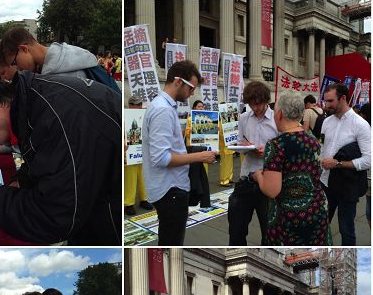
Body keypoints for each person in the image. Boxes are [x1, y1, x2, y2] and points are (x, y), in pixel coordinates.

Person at [0, 75, 121, 245]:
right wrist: (22, 180)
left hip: (108, 220)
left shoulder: (56, 116)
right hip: (96, 206)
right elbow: (46, 158)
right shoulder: (34, 101)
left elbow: (55, 218)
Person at [142, 60, 217, 245]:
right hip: (170, 190)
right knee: (172, 243)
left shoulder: (162, 106)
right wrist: (199, 157)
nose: (192, 93)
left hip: (170, 188)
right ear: (178, 82)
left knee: (170, 240)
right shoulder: (163, 110)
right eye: (191, 88)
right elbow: (161, 157)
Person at [252, 91, 331, 246]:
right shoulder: (313, 140)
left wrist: (258, 176)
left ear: (280, 114)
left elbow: (271, 190)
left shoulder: (276, 145)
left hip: (289, 217)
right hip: (317, 209)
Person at [228, 80, 278, 246]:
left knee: (269, 231)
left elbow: (283, 148)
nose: (255, 108)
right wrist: (243, 146)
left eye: (258, 104)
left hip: (268, 180)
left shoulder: (277, 119)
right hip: (246, 178)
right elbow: (240, 140)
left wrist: (269, 151)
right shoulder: (244, 117)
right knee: (236, 229)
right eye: (251, 104)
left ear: (266, 100)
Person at [320, 83, 371, 245]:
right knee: (320, 226)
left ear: (343, 98)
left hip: (347, 186)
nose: (326, 105)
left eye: (330, 101)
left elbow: (368, 160)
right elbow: (322, 148)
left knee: (346, 229)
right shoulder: (326, 122)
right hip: (325, 183)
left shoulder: (361, 125)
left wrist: (338, 164)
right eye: (325, 101)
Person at [0, 27, 98, 80]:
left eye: (14, 62)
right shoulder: (70, 54)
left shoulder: (61, 76)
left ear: (24, 49)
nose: (18, 68)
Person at [124, 94, 153, 216]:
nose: (137, 106)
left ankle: (144, 199)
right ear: (130, 105)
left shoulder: (145, 116)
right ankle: (128, 203)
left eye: (139, 104)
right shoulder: (124, 115)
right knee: (130, 178)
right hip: (130, 151)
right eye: (134, 104)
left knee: (144, 176)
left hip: (143, 150)